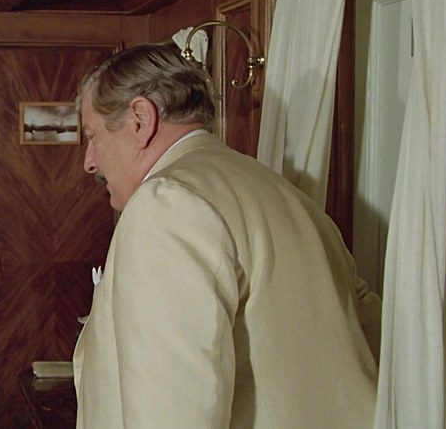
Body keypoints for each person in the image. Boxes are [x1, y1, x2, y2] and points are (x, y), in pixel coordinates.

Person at [72, 43, 381, 428]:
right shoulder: (288, 194)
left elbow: (172, 415)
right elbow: (369, 337)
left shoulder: (164, 206)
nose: (89, 162)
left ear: (140, 120)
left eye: (93, 136)